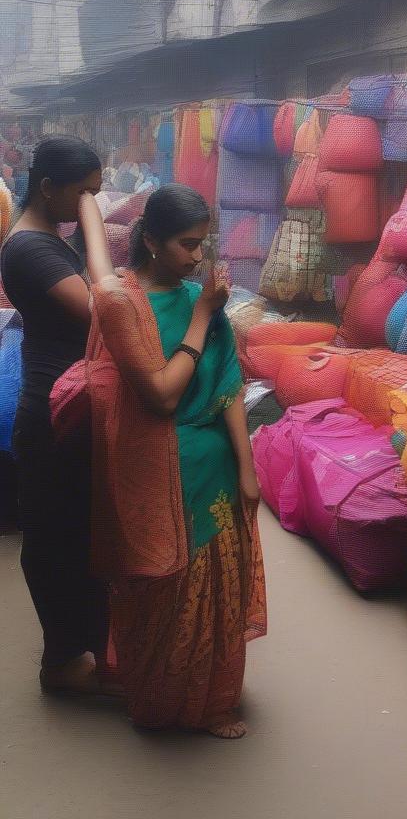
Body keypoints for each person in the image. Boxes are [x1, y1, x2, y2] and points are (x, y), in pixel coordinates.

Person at [77, 183, 266, 738]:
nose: (196, 258)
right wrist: (204, 313)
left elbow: (229, 382)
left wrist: (248, 470)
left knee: (217, 589)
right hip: (158, 469)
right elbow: (161, 396)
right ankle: (165, 693)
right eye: (187, 245)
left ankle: (212, 699)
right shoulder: (126, 304)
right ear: (152, 241)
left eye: (203, 245)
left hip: (217, 471)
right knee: (165, 591)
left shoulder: (199, 299)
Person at [0, 137, 109, 694]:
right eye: (84, 192)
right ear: (48, 188)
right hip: (51, 412)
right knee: (54, 538)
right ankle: (62, 664)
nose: (91, 202)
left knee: (76, 532)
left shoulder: (47, 240)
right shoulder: (29, 249)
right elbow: (103, 312)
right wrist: (96, 228)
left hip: (69, 404)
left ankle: (81, 651)